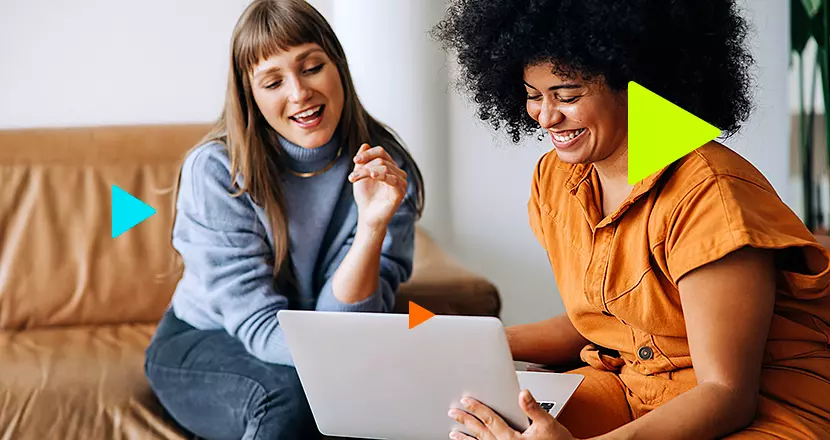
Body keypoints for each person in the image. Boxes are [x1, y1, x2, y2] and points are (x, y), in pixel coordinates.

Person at [434, 0, 830, 439]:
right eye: (533, 96)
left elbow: (727, 394)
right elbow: (607, 320)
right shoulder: (556, 178)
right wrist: (471, 343)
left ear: (636, 83)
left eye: (567, 96)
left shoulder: (709, 194)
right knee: (473, 423)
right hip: (631, 386)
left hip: (763, 409)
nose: (546, 117)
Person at [143, 1, 424, 439]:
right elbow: (258, 326)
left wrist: (371, 229)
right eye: (272, 81)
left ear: (338, 67)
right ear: (250, 95)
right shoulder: (217, 170)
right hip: (205, 340)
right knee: (296, 397)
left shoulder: (386, 169)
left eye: (311, 68)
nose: (299, 93)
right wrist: (348, 364)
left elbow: (348, 325)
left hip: (320, 346)